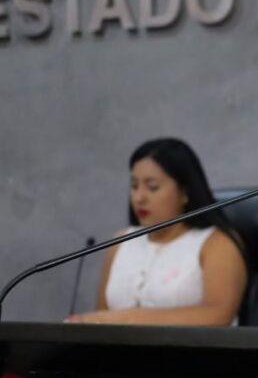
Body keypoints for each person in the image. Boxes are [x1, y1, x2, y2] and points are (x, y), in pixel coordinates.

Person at [67, 138, 247, 325]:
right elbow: (100, 319)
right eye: (134, 186)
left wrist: (127, 318)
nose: (139, 198)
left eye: (152, 187)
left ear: (185, 192)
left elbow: (218, 316)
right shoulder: (120, 242)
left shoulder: (217, 243)